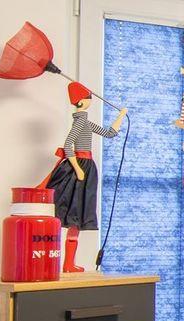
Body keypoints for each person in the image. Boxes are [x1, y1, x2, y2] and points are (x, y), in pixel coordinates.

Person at [42, 82, 126, 274]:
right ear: (81, 101)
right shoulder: (80, 122)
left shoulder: (85, 122)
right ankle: (66, 263)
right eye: (88, 98)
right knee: (74, 213)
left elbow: (109, 133)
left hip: (87, 166)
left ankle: (69, 263)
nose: (90, 101)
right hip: (81, 166)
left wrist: (121, 116)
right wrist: (78, 169)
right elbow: (68, 145)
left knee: (77, 217)